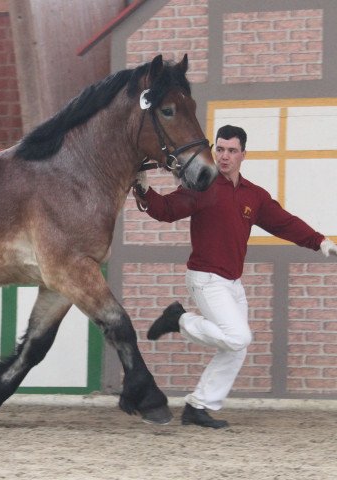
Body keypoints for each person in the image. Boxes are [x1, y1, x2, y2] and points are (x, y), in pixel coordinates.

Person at [132, 124, 337, 429]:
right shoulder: (202, 187)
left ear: (243, 154)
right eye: (220, 149)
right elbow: (167, 210)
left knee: (236, 348)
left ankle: (198, 406)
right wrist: (144, 190)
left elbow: (284, 223)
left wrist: (320, 242)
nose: (224, 156)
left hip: (232, 282)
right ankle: (180, 320)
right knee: (238, 336)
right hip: (205, 278)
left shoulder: (253, 196)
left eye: (231, 150)